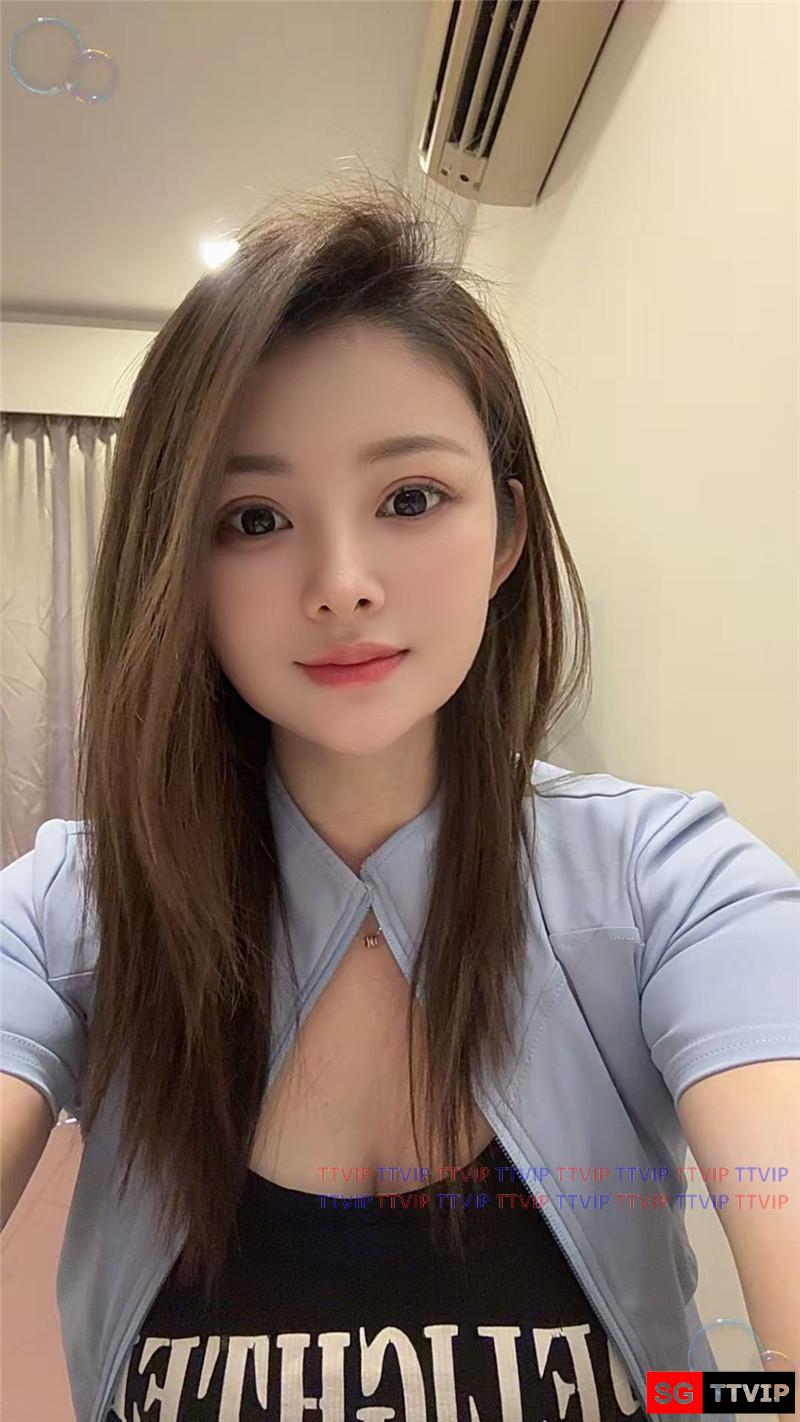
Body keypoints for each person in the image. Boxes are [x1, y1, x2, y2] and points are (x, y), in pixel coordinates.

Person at [2, 176, 798, 1422]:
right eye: (252, 517)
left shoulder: (671, 883)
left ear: (505, 537)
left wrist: (702, 1402)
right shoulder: (73, 906)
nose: (341, 583)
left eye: (409, 499)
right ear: (176, 566)